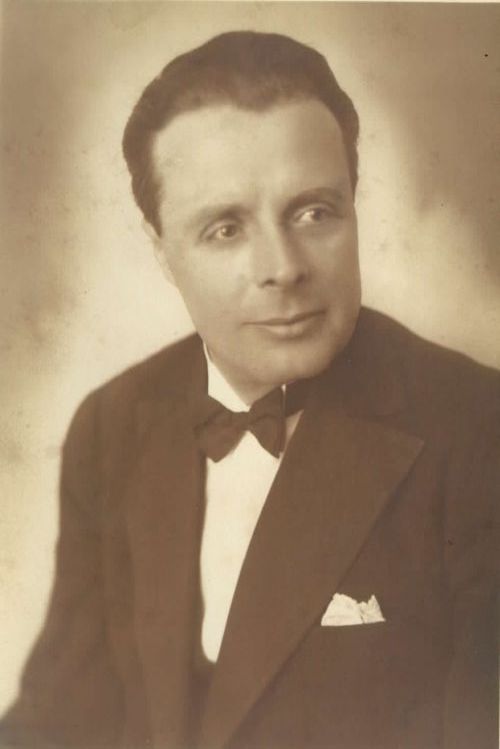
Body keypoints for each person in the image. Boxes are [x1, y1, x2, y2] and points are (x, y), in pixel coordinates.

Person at [1, 30, 498, 749]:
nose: (283, 267)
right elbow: (59, 719)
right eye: (226, 228)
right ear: (161, 251)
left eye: (314, 212)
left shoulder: (479, 427)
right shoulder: (112, 423)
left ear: (355, 207)